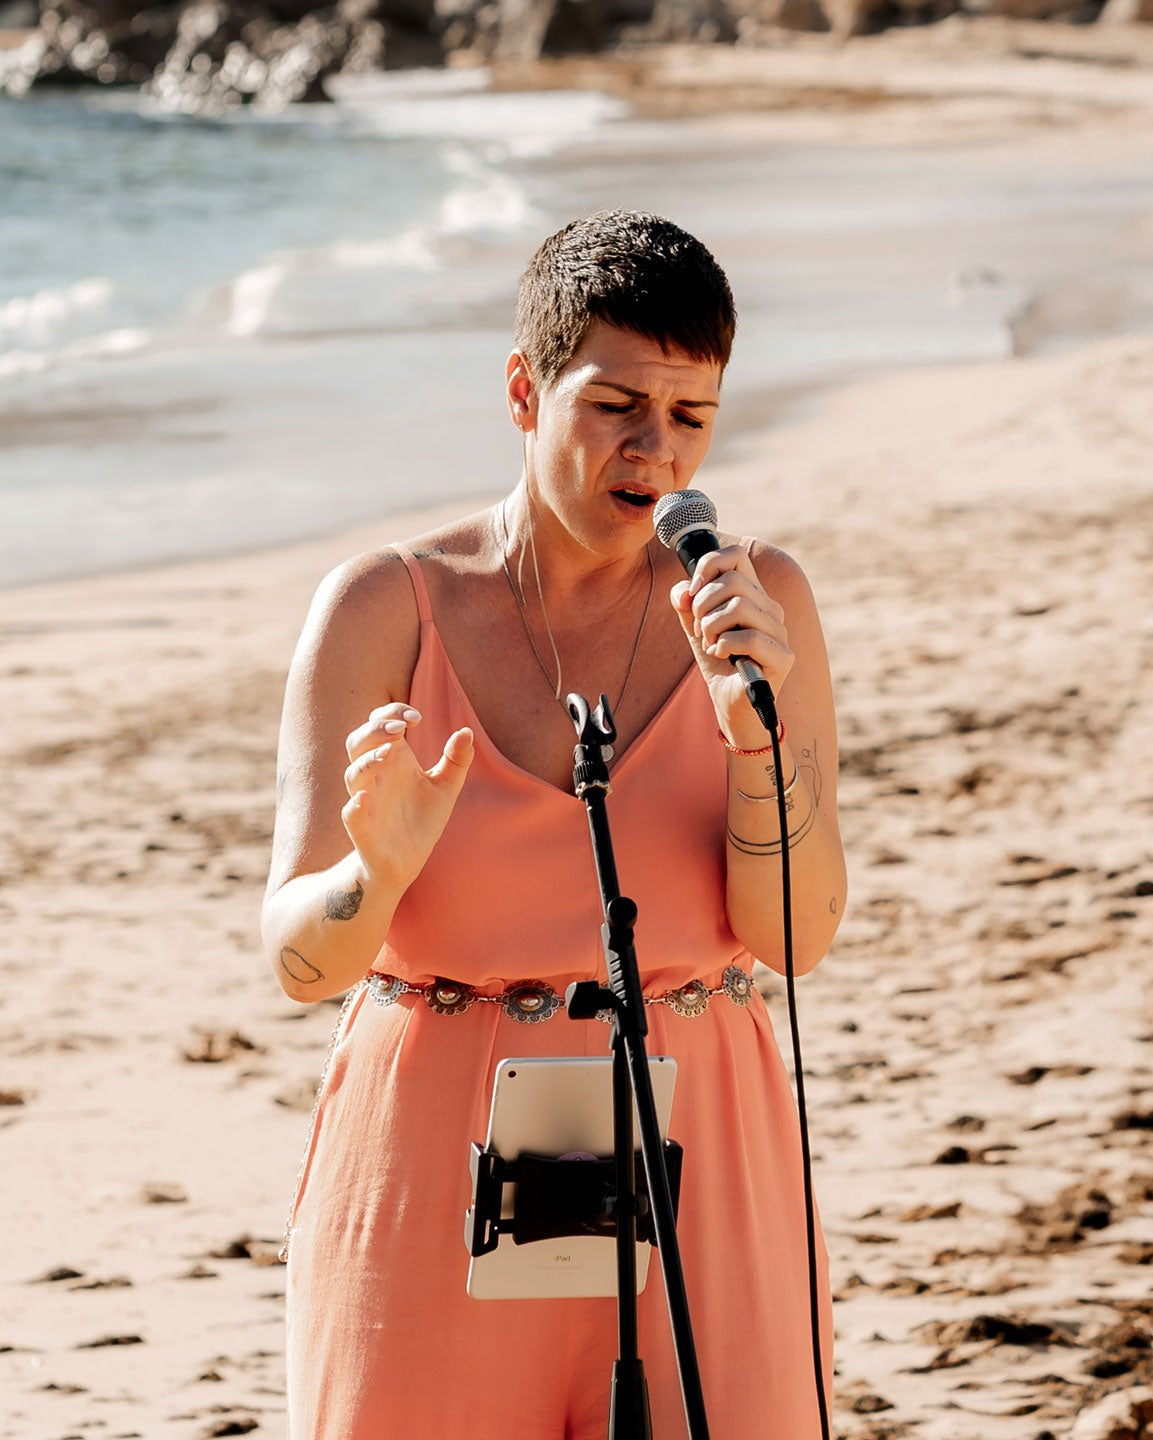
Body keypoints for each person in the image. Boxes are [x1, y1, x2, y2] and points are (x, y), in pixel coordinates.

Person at [263, 208, 847, 1440]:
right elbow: (300, 963)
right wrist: (375, 871)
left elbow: (793, 940)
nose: (655, 451)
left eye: (691, 418)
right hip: (434, 1156)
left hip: (705, 1149)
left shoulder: (759, 602)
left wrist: (755, 744)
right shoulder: (385, 607)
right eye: (615, 407)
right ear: (525, 392)